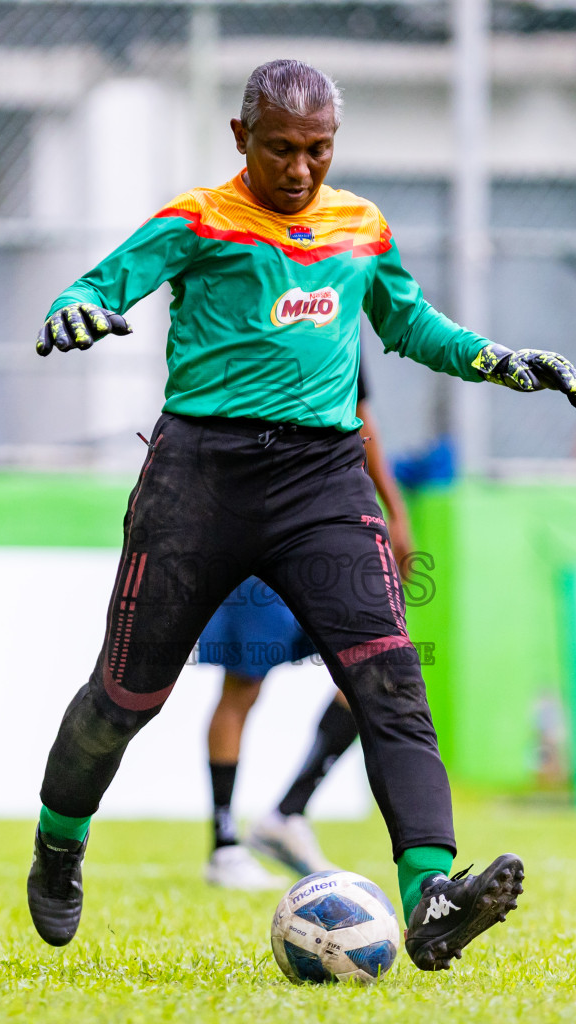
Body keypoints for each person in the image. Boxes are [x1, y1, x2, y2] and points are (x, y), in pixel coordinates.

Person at [27, 59, 576, 971]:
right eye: (282, 149)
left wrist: (500, 360)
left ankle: (432, 897)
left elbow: (410, 327)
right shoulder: (197, 220)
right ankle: (59, 844)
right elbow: (96, 286)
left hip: (323, 485)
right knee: (126, 697)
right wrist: (76, 313)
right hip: (198, 482)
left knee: (391, 682)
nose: (300, 170)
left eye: (318, 151)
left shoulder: (361, 227)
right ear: (240, 138)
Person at [199, 367, 411, 890]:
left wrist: (394, 511)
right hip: (252, 516)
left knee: (370, 672)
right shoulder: (250, 301)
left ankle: (287, 814)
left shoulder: (341, 298)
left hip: (327, 525)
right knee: (243, 682)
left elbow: (363, 418)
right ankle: (224, 845)